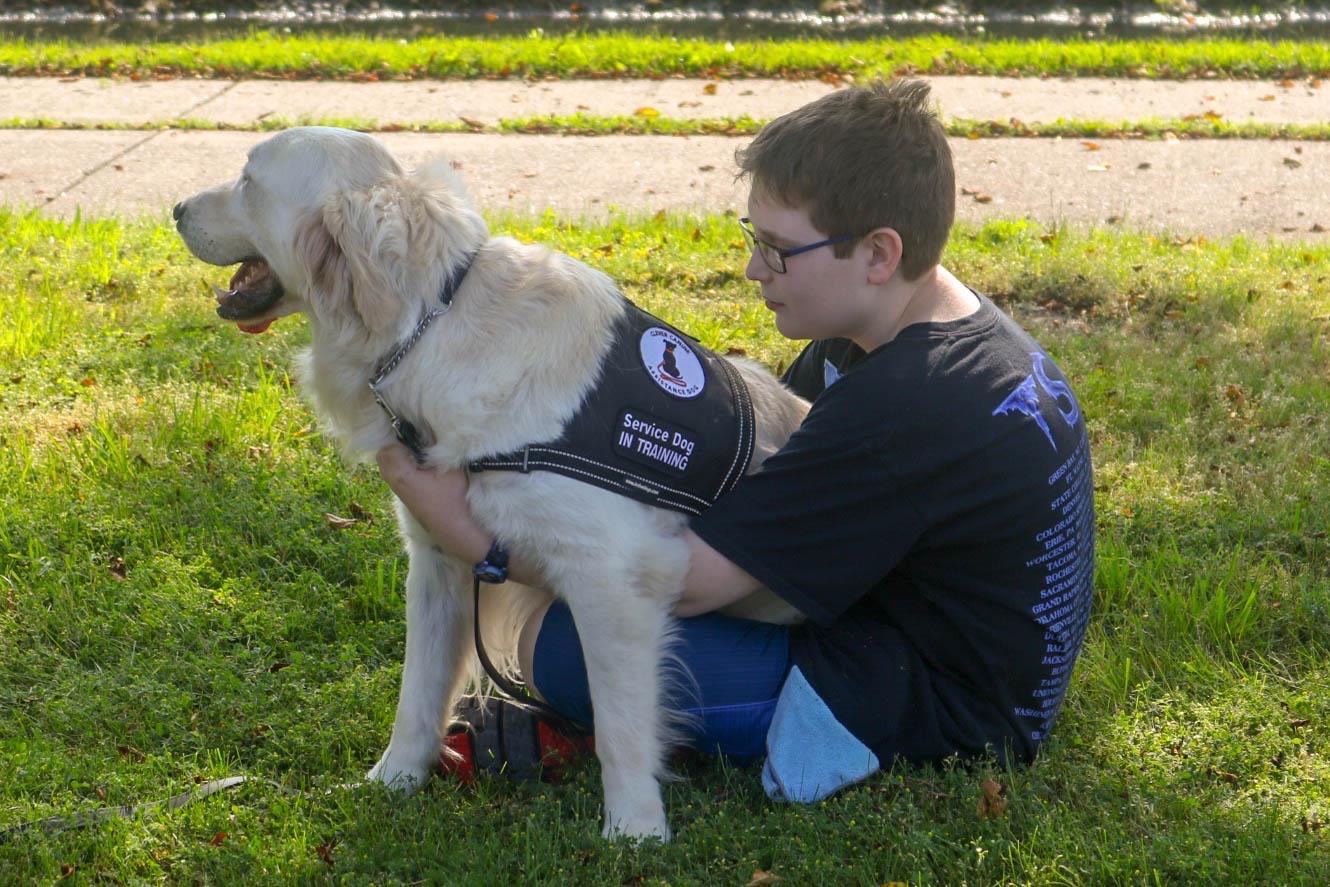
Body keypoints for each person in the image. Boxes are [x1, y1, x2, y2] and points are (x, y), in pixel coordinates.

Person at [376, 78, 1095, 801]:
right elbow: (770, 475)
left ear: (879, 254)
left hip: (936, 705)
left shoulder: (904, 405)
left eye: (779, 250)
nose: (755, 269)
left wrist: (474, 538)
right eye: (756, 240)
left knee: (559, 643)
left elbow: (683, 583)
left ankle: (582, 721)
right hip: (940, 641)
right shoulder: (920, 329)